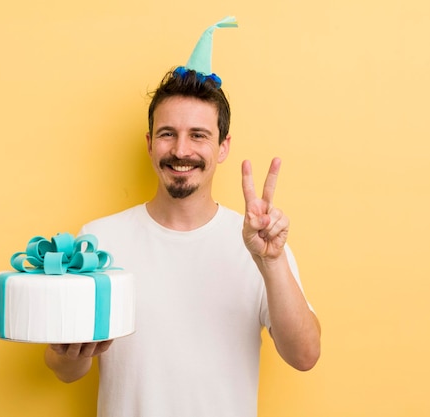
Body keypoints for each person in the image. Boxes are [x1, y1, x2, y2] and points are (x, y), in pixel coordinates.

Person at [44, 17, 320, 417]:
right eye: (168, 133)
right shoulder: (98, 242)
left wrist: (272, 262)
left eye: (199, 135)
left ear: (223, 147)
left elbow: (305, 355)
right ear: (150, 142)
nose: (181, 150)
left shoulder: (259, 244)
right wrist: (68, 353)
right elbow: (65, 370)